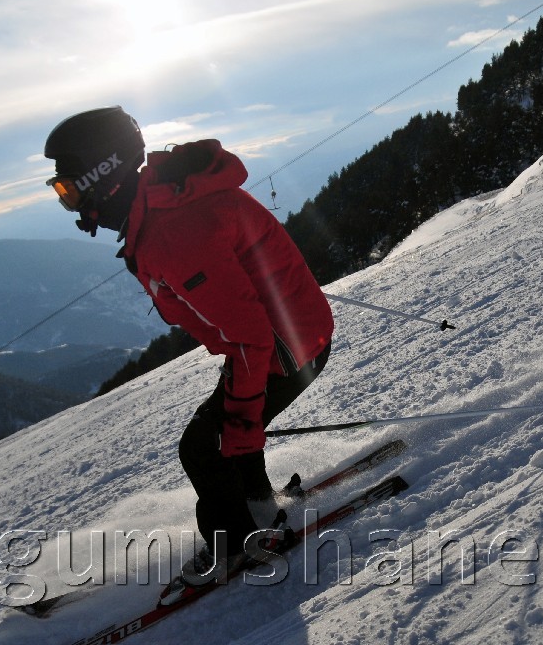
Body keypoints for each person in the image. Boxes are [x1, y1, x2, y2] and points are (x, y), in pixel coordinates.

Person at [43, 106, 334, 599]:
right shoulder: (161, 210)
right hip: (285, 333)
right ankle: (257, 504)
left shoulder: (172, 232)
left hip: (285, 347)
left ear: (102, 177)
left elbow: (249, 337)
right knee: (221, 431)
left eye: (69, 190)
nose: (70, 204)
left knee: (204, 444)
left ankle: (239, 543)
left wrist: (242, 420)